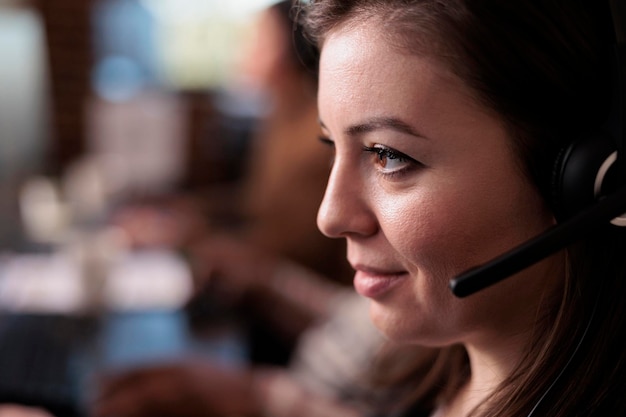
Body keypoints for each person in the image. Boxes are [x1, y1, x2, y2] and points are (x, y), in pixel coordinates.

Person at [298, 0, 626, 416]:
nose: (330, 217)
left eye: (387, 156)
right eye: (332, 144)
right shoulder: (434, 363)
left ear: (588, 180)